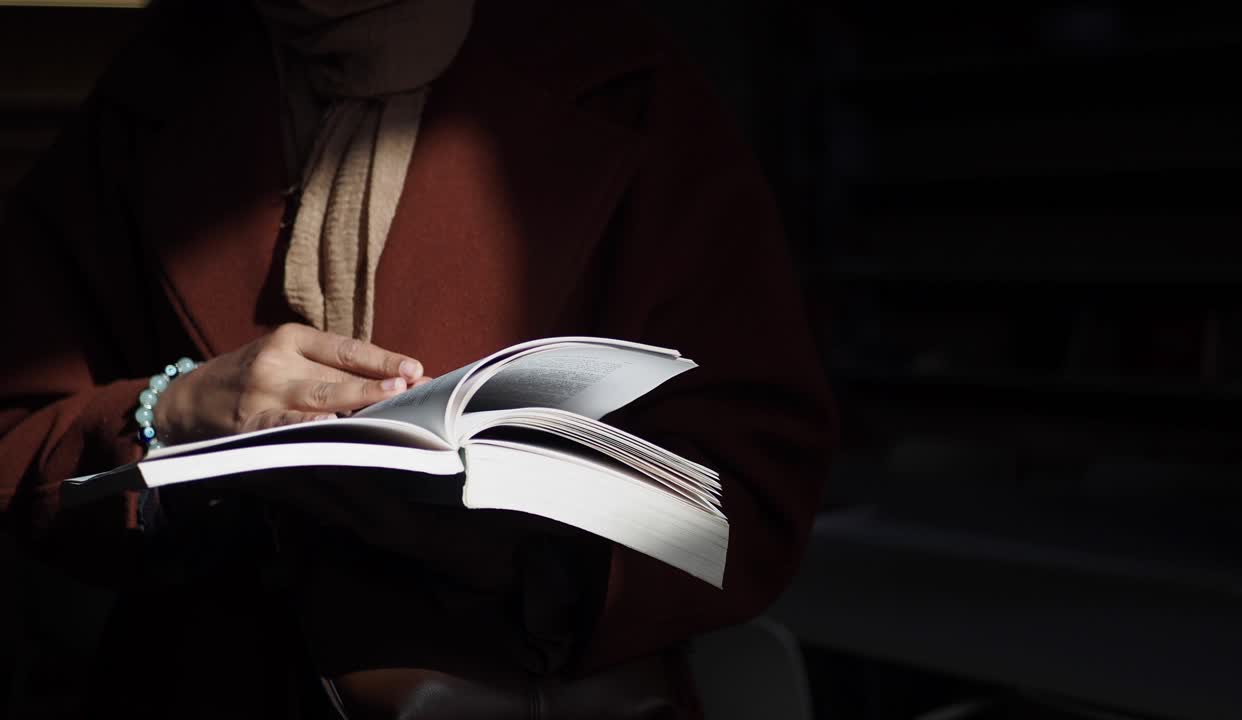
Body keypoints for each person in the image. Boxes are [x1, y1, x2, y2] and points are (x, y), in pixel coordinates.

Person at [0, 0, 837, 717]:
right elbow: (18, 427)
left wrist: (529, 558)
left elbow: (754, 478)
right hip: (201, 686)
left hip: (523, 690)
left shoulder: (627, 78)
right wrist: (171, 410)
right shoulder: (157, 83)